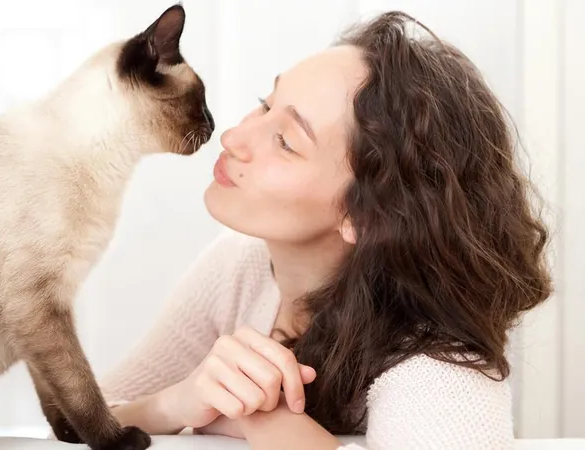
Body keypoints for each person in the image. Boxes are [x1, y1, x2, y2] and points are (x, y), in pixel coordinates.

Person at [97, 10, 552, 450]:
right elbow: (81, 420)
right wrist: (177, 403)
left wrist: (265, 418)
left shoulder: (438, 365)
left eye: (285, 141)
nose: (233, 137)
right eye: (265, 105)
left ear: (366, 215)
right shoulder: (241, 264)